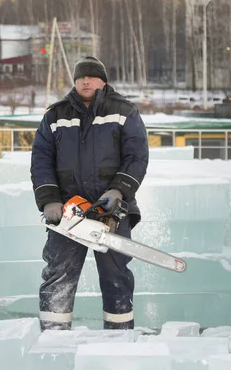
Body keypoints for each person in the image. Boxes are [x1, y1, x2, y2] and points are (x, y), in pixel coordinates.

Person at [30, 56, 149, 331]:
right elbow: (41, 159)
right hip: (68, 213)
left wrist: (119, 190)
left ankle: (119, 337)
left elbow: (137, 156)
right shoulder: (55, 116)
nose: (86, 81)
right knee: (58, 275)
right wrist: (49, 199)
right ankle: (54, 336)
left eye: (93, 76)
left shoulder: (124, 111)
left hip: (111, 210)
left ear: (103, 81)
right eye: (82, 76)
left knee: (116, 276)